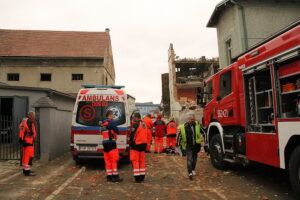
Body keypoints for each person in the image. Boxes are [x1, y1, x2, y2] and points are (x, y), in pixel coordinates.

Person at [100, 110, 123, 182]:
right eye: (113, 115)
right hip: (111, 143)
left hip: (105, 143)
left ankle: (109, 176)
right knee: (113, 160)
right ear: (110, 115)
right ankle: (115, 177)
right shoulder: (111, 122)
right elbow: (117, 131)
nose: (113, 116)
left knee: (107, 160)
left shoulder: (103, 123)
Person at [178, 113, 203, 180]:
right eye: (191, 119)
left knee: (194, 159)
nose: (192, 120)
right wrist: (178, 145)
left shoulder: (198, 125)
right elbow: (179, 136)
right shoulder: (184, 126)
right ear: (188, 119)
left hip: (196, 145)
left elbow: (203, 132)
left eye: (193, 119)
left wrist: (206, 140)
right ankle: (190, 172)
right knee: (190, 159)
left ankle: (193, 169)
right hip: (188, 145)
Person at [130, 112, 148, 183]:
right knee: (142, 161)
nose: (133, 119)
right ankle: (142, 176)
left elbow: (132, 135)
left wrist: (131, 143)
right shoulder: (144, 124)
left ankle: (137, 177)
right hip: (143, 144)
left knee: (135, 161)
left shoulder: (136, 125)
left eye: (134, 117)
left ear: (136, 117)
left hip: (137, 144)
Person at [19, 111, 37, 176]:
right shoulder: (29, 122)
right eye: (34, 116)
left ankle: (25, 170)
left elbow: (22, 130)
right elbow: (31, 132)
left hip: (24, 140)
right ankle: (27, 172)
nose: (34, 117)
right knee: (28, 156)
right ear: (30, 115)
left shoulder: (24, 120)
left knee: (25, 156)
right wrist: (32, 134)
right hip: (28, 141)